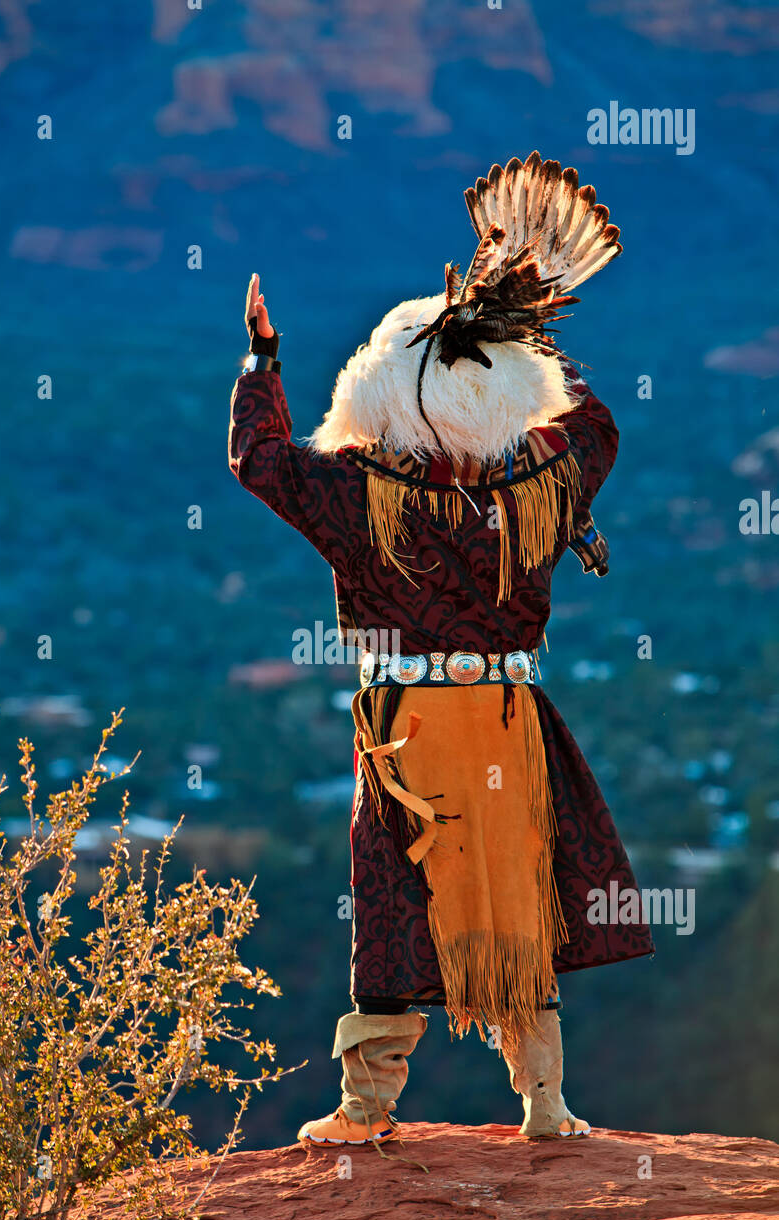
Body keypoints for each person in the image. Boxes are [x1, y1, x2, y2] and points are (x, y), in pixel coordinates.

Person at [229, 154, 655, 1154]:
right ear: (502, 400)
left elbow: (258, 462)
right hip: (509, 721)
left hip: (406, 732)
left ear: (385, 400)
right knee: (514, 898)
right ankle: (544, 1107)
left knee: (389, 894)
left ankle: (366, 1109)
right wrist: (516, 327)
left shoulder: (357, 498)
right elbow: (593, 425)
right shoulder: (540, 494)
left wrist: (262, 361)